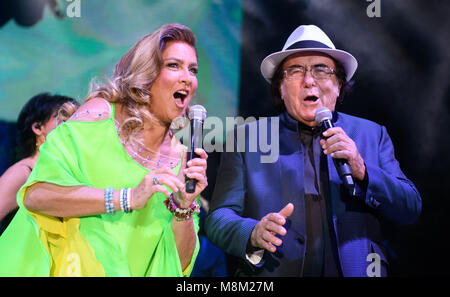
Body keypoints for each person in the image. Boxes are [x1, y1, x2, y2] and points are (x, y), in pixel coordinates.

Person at [204, 25, 422, 277]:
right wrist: (252, 232)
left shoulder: (372, 134)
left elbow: (410, 207)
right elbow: (218, 218)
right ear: (281, 89)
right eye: (295, 71)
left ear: (339, 85)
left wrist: (362, 170)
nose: (309, 81)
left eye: (321, 70)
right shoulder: (248, 137)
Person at [0, 23, 208, 277]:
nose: (187, 78)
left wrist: (183, 207)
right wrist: (127, 197)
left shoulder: (181, 162)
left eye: (193, 69)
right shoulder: (101, 115)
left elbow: (178, 265)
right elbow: (37, 195)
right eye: (173, 65)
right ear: (148, 72)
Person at [0, 93, 79, 234]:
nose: (71, 123)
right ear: (37, 127)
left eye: (75, 117)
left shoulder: (65, 172)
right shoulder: (22, 172)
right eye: (62, 116)